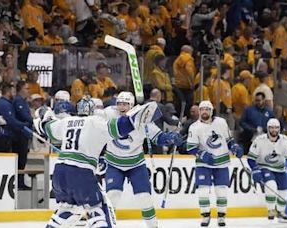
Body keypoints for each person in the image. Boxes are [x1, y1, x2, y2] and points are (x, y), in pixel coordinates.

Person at [38, 96, 160, 228]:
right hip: (81, 171)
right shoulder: (95, 122)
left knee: (66, 209)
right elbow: (119, 128)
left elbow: (47, 129)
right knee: (97, 211)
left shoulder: (67, 121)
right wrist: (136, 118)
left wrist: (46, 116)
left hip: (59, 172)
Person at [104, 92, 183, 228]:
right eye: (119, 104)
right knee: (112, 196)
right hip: (114, 163)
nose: (122, 107)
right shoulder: (109, 114)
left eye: (125, 104)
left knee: (144, 198)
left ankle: (153, 226)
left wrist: (170, 137)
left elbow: (158, 137)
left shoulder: (141, 118)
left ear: (132, 105)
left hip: (136, 164)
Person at [186, 100, 243, 227]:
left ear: (211, 111)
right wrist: (203, 155)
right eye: (202, 109)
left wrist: (234, 147)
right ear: (199, 111)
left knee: (221, 190)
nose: (204, 111)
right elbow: (190, 147)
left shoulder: (221, 123)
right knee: (203, 190)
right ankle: (205, 215)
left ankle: (221, 216)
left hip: (221, 162)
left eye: (207, 109)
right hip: (203, 164)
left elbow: (229, 140)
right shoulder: (194, 127)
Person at [247, 118, 287, 223]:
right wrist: (255, 170)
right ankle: (271, 209)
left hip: (280, 169)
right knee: (271, 185)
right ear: (268, 128)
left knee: (285, 192)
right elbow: (251, 158)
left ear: (279, 129)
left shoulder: (284, 140)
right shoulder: (259, 140)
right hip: (264, 167)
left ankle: (280, 211)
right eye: (272, 128)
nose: (274, 130)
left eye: (276, 128)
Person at [12, 81, 33, 189]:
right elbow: (24, 115)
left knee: (23, 159)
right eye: (26, 88)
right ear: (20, 89)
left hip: (24, 134)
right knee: (20, 159)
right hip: (19, 135)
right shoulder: (18, 101)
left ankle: (20, 181)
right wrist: (34, 120)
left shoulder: (24, 101)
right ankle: (18, 182)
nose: (28, 91)